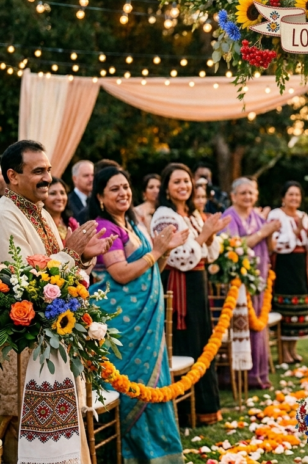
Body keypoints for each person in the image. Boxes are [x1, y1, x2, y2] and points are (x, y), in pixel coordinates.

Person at [0, 140, 114, 464]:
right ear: (13, 176)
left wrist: (82, 257)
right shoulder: (5, 215)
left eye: (48, 170)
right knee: (23, 431)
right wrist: (71, 254)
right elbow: (22, 282)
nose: (48, 178)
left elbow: (57, 269)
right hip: (23, 350)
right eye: (38, 171)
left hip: (51, 343)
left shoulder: (42, 213)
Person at [88, 166, 189, 464]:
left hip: (147, 323)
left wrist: (165, 251)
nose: (123, 193)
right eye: (114, 189)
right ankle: (131, 454)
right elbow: (120, 273)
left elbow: (151, 269)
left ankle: (161, 453)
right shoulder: (105, 227)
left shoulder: (132, 224)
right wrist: (156, 252)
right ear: (100, 197)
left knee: (154, 384)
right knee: (131, 386)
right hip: (124, 325)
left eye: (125, 187)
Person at [151, 163, 231, 425]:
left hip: (198, 283)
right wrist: (203, 235)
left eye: (186, 181)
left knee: (203, 340)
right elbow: (177, 257)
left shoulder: (192, 213)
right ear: (166, 188)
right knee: (188, 341)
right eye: (177, 182)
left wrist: (209, 236)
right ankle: (188, 411)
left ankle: (207, 407)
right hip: (179, 286)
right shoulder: (164, 216)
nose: (183, 186)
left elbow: (210, 254)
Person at [220, 177, 281, 389]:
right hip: (239, 281)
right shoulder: (229, 217)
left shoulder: (257, 216)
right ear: (233, 196)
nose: (248, 197)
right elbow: (234, 246)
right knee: (242, 324)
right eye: (243, 193)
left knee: (258, 323)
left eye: (251, 193)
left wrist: (271, 232)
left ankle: (258, 374)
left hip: (260, 277)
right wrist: (264, 231)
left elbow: (270, 247)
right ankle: (239, 376)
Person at [268, 182, 308, 364]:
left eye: (297, 195)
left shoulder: (302, 216)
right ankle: (284, 351)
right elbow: (276, 244)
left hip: (299, 265)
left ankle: (293, 349)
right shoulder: (276, 215)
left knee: (299, 305)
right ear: (283, 197)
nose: (294, 198)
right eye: (291, 194)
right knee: (285, 305)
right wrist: (296, 231)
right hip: (284, 265)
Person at [45, 177, 79, 243]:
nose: (60, 198)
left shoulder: (71, 223)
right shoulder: (40, 225)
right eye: (53, 193)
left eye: (62, 193)